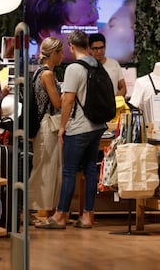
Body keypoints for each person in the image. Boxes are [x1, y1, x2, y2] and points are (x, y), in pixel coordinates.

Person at [36, 30, 106, 229]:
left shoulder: (74, 68)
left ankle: (60, 216)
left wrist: (63, 127)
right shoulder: (96, 64)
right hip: (97, 126)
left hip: (79, 127)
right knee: (91, 170)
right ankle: (87, 216)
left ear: (72, 46)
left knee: (69, 171)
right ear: (87, 45)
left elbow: (67, 100)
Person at [28, 37, 64, 223]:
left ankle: (41, 208)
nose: (63, 56)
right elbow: (56, 102)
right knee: (46, 167)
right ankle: (38, 208)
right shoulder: (47, 75)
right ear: (54, 53)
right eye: (61, 52)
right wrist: (69, 95)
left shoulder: (38, 72)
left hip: (43, 124)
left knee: (45, 166)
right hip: (47, 124)